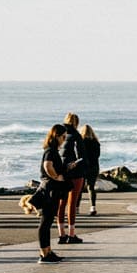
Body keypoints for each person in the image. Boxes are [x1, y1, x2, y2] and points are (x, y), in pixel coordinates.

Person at [36, 124, 70, 264]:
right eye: (63, 137)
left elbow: (50, 166)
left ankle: (47, 251)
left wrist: (66, 168)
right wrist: (56, 177)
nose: (64, 139)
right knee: (45, 222)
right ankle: (44, 254)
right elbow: (47, 166)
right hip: (49, 190)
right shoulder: (50, 151)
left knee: (48, 221)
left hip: (51, 189)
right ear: (56, 136)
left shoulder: (51, 150)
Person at [56, 112, 85, 245]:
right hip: (75, 173)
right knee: (72, 203)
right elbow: (81, 156)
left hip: (61, 172)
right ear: (76, 123)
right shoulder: (76, 136)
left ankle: (61, 234)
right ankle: (71, 234)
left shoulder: (59, 135)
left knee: (61, 203)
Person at [80, 124, 101, 216]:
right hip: (94, 166)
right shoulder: (96, 142)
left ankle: (76, 207)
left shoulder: (82, 142)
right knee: (91, 187)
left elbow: (80, 155)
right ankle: (93, 207)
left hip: (84, 167)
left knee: (80, 188)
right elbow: (97, 155)